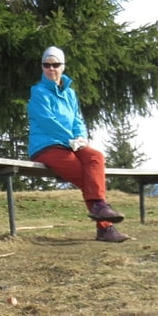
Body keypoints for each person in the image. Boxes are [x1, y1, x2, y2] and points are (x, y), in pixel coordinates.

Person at [27, 46, 129, 243]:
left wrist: (81, 137)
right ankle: (104, 226)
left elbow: (77, 119)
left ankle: (101, 214)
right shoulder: (38, 92)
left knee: (95, 157)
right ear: (42, 67)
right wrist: (70, 139)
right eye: (46, 65)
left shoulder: (70, 94)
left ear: (63, 66)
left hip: (70, 144)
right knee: (86, 176)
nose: (51, 68)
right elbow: (47, 121)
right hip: (47, 146)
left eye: (55, 64)